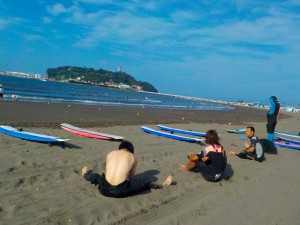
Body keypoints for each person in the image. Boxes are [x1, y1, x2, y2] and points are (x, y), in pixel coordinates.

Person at [82, 140, 173, 198]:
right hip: (120, 191)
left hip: (103, 188)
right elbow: (130, 177)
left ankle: (85, 174)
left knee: (96, 177)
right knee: (144, 184)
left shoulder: (110, 153)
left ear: (120, 148)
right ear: (131, 150)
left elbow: (107, 170)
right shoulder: (132, 157)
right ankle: (162, 185)